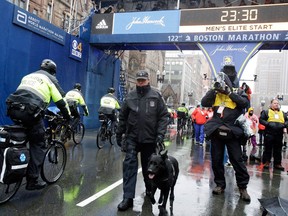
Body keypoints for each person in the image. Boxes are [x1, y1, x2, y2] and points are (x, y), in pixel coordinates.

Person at [6, 59, 70, 190]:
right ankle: (32, 180)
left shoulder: (28, 76)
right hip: (30, 112)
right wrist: (67, 116)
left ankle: (17, 163)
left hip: (13, 109)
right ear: (53, 72)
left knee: (20, 138)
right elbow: (61, 101)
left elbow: (27, 94)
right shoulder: (51, 79)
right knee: (38, 143)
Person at [115, 70, 169, 211]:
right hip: (132, 138)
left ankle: (149, 190)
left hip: (150, 140)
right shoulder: (130, 96)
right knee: (129, 167)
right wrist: (119, 134)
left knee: (149, 168)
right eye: (138, 80)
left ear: (148, 80)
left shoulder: (156, 96)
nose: (140, 82)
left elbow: (164, 116)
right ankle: (128, 197)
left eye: (143, 80)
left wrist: (160, 135)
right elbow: (123, 117)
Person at [201, 65, 251, 202]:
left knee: (236, 159)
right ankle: (220, 184)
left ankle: (242, 187)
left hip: (232, 130)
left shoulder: (239, 91)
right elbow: (204, 102)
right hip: (217, 129)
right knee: (216, 159)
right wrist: (214, 90)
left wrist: (229, 93)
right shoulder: (215, 92)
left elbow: (244, 104)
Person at [259, 99, 288, 171]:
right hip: (269, 133)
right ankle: (266, 162)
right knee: (268, 148)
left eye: (277, 103)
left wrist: (284, 125)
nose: (276, 104)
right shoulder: (266, 112)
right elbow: (261, 119)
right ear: (271, 104)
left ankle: (277, 164)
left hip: (279, 134)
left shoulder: (282, 113)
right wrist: (268, 124)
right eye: (275, 103)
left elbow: (287, 120)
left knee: (278, 149)